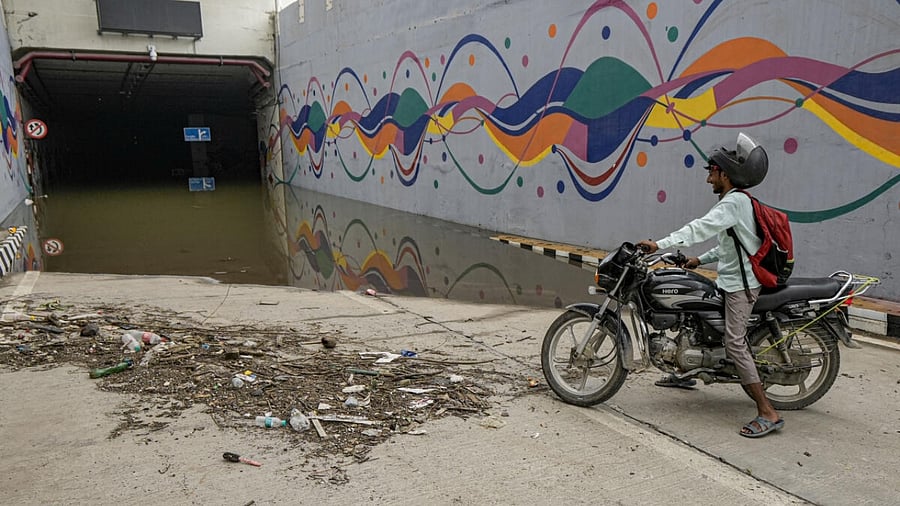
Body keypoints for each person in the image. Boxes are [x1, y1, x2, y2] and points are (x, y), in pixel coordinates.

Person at [637, 132, 784, 439]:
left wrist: (659, 244)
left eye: (711, 172)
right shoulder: (736, 203)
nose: (709, 180)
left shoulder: (734, 203)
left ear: (725, 174)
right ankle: (684, 372)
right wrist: (698, 260)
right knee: (692, 315)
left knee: (734, 342)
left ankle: (767, 411)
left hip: (742, 287)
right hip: (730, 280)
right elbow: (730, 246)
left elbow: (699, 227)